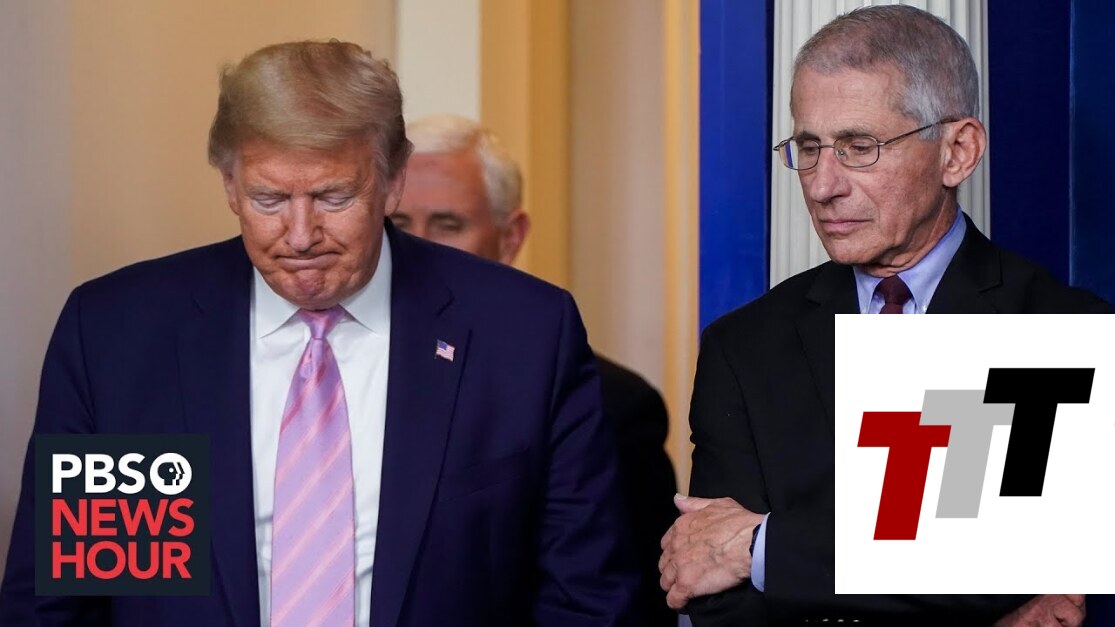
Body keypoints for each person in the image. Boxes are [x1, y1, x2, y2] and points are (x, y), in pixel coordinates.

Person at [0, 41, 639, 626]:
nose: (301, 237)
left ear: (392, 180)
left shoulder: (521, 333)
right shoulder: (122, 337)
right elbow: (65, 602)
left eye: (334, 197)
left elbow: (586, 598)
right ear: (229, 184)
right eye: (269, 200)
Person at [657, 6, 1109, 626]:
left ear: (958, 152)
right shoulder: (744, 346)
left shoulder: (1053, 328)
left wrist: (759, 547)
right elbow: (713, 587)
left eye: (858, 147)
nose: (822, 185)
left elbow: (994, 567)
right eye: (809, 148)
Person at [392, 113, 679, 627]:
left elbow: (616, 606)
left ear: (510, 237)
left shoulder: (612, 405)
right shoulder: (328, 377)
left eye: (448, 225)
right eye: (397, 226)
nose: (418, 248)